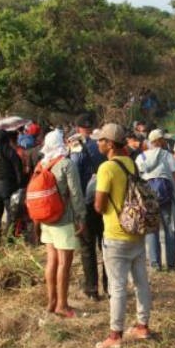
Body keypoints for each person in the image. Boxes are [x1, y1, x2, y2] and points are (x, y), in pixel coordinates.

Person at [94, 123, 153, 348]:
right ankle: (142, 326)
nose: (98, 143)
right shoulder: (130, 163)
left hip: (115, 234)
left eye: (101, 140)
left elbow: (99, 205)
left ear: (110, 144)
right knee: (141, 282)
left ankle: (115, 335)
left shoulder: (106, 168)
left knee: (117, 287)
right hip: (136, 232)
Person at [37, 130, 87, 318]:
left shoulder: (43, 164)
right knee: (64, 263)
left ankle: (51, 302)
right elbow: (76, 193)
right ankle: (63, 305)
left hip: (47, 220)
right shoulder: (66, 164)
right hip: (64, 221)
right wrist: (81, 216)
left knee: (51, 261)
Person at [70, 114, 108, 301]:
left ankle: (92, 289)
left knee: (87, 248)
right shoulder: (102, 145)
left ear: (78, 128)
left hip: (85, 203)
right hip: (104, 202)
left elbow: (75, 179)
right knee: (106, 246)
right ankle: (110, 287)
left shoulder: (77, 148)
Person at [137, 128, 175, 271]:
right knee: (169, 228)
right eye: (162, 139)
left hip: (148, 197)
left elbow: (137, 177)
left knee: (152, 229)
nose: (164, 141)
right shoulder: (166, 155)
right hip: (165, 196)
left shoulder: (141, 157)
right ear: (158, 141)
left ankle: (155, 264)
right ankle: (171, 264)